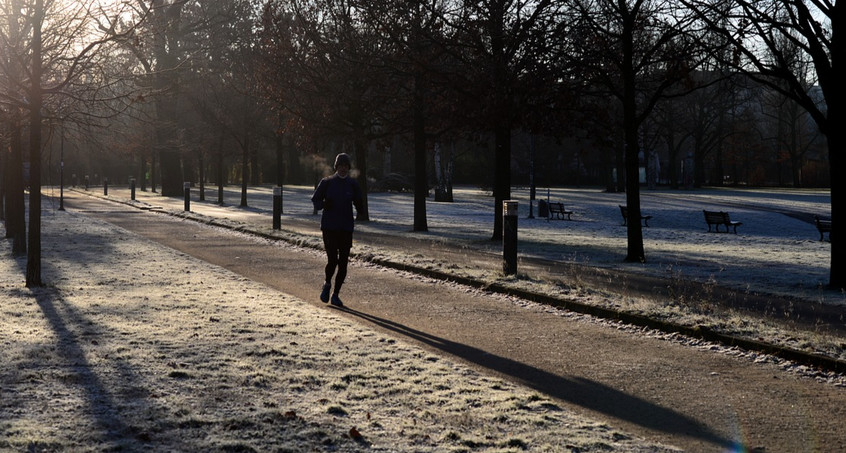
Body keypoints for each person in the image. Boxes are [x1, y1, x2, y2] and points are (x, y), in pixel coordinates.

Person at [311, 153, 363, 307]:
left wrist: (360, 206)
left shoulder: (352, 184)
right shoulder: (327, 182)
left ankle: (336, 295)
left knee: (343, 264)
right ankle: (327, 284)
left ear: (348, 168)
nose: (343, 169)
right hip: (329, 227)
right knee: (332, 260)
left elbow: (358, 201)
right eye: (340, 166)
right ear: (336, 167)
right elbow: (315, 200)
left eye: (346, 166)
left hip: (346, 228)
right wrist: (324, 205)